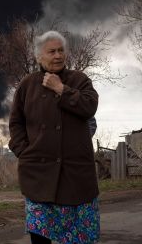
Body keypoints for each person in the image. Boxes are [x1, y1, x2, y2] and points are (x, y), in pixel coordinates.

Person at [9, 30, 100, 244]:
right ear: (39, 56)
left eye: (61, 50)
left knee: (80, 238)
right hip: (38, 175)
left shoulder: (79, 80)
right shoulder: (27, 85)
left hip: (76, 176)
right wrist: (23, 152)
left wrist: (61, 89)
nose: (58, 55)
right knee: (40, 237)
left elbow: (90, 107)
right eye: (52, 51)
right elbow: (16, 123)